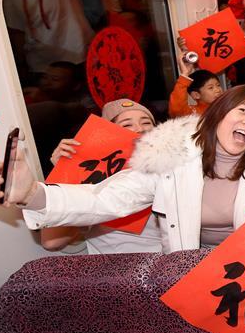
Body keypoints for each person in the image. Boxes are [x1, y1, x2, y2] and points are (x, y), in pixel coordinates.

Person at [0, 85, 245, 252]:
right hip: (189, 263)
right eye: (242, 111)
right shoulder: (170, 159)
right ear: (217, 115)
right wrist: (33, 194)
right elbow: (102, 199)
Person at [41, 99, 162, 254]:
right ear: (108, 133)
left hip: (168, 259)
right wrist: (65, 172)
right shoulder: (93, 178)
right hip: (114, 264)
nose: (140, 129)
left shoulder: (169, 170)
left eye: (146, 122)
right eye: (127, 125)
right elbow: (52, 242)